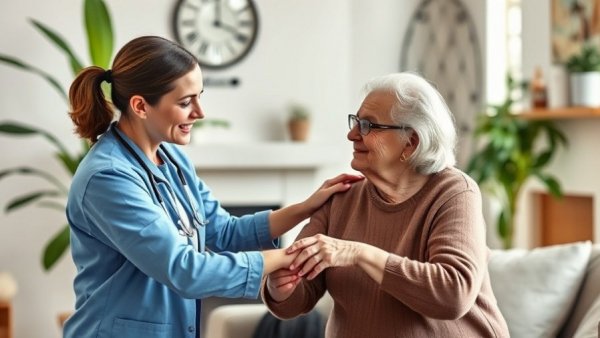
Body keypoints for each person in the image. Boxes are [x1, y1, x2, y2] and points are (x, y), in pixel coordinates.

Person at [63, 35, 362, 338]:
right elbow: (184, 269)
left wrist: (306, 206)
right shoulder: (108, 177)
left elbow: (223, 231)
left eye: (199, 96)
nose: (200, 112)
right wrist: (294, 255)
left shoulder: (172, 157)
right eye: (185, 102)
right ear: (141, 106)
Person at [262, 72, 510, 337]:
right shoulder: (341, 197)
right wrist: (281, 288)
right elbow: (298, 297)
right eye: (356, 121)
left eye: (368, 125)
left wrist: (358, 253)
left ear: (411, 143)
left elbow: (453, 293)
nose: (352, 134)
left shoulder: (453, 192)